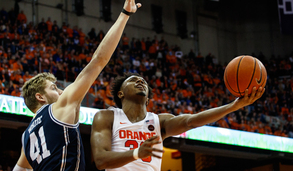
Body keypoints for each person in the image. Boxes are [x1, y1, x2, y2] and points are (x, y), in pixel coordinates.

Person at [12, 0, 142, 171]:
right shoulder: (61, 106)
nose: (61, 90)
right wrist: (124, 14)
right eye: (54, 88)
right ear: (40, 97)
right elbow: (98, 60)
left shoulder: (27, 138)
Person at [91, 72, 265, 171]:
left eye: (143, 80)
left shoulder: (159, 121)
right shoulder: (107, 117)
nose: (140, 81)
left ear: (148, 99)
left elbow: (192, 121)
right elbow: (100, 160)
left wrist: (234, 106)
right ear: (120, 94)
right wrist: (137, 153)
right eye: (133, 80)